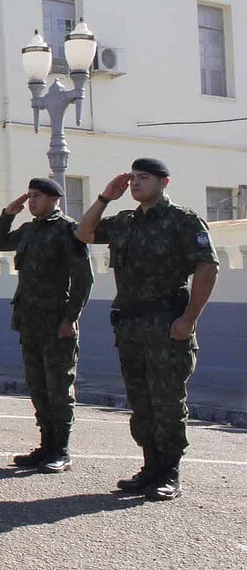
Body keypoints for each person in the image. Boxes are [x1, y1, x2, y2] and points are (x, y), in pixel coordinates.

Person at [76, 158, 218, 501]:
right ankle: (150, 467)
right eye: (134, 178)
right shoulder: (125, 221)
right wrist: (105, 197)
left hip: (167, 324)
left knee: (167, 401)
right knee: (141, 402)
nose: (136, 183)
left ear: (163, 182)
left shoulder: (181, 221)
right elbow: (84, 233)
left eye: (145, 178)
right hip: (130, 325)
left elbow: (207, 268)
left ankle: (169, 471)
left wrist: (189, 319)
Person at [0, 177, 93, 475]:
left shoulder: (67, 231)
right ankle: (46, 445)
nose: (31, 201)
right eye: (30, 196)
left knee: (58, 387)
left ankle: (61, 449)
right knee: (38, 387)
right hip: (30, 321)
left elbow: (83, 280)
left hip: (56, 322)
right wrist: (8, 213)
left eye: (37, 196)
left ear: (54, 199)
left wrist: (70, 318)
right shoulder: (29, 230)